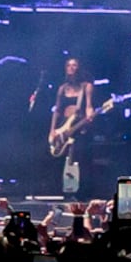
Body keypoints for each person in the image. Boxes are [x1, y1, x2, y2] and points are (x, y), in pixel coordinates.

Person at [44, 56, 96, 200]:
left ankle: (82, 192)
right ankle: (64, 191)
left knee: (80, 158)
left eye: (74, 65)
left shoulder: (86, 86)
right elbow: (57, 110)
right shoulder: (62, 88)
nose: (71, 68)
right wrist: (53, 130)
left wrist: (89, 115)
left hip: (79, 126)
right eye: (69, 65)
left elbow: (89, 106)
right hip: (63, 125)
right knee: (62, 158)